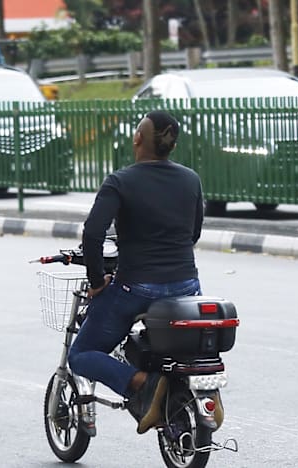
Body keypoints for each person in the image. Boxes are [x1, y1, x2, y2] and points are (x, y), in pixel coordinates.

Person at [68, 111, 204, 435]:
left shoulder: (120, 181)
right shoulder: (191, 179)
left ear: (138, 138)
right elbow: (194, 234)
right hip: (188, 286)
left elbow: (93, 234)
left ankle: (141, 384)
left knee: (82, 353)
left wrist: (98, 280)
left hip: (137, 288)